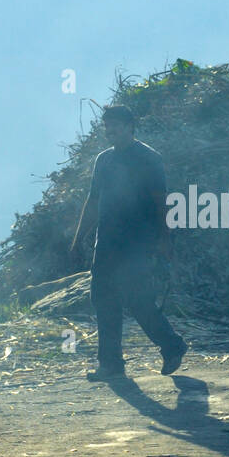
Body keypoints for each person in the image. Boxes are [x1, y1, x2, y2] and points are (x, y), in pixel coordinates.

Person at [71, 106, 187, 380]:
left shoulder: (148, 159)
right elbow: (93, 201)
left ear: (130, 126)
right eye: (107, 126)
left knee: (138, 300)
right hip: (107, 241)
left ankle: (172, 345)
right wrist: (78, 239)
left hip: (138, 243)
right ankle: (110, 364)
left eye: (116, 126)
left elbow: (161, 201)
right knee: (102, 299)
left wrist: (164, 239)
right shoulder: (104, 160)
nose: (110, 131)